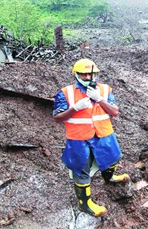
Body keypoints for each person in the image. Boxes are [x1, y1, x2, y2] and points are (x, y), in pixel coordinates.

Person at [53, 58, 130, 217]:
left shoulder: (105, 90)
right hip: (79, 138)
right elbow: (57, 118)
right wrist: (75, 108)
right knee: (81, 169)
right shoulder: (65, 92)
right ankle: (84, 203)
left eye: (91, 74)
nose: (88, 78)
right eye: (84, 75)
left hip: (104, 134)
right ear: (76, 75)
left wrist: (100, 99)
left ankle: (109, 177)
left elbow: (114, 112)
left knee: (112, 157)